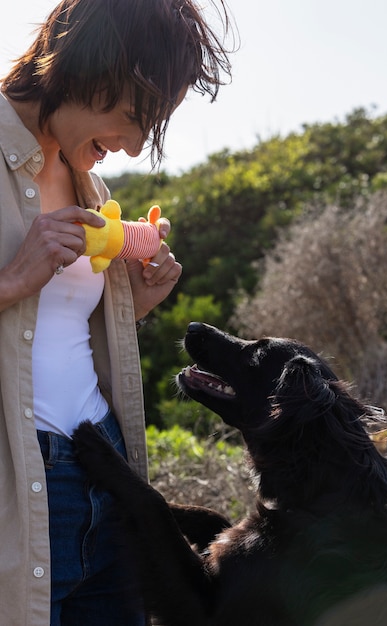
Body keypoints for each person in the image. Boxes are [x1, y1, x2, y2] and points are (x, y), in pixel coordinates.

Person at [0, 0, 233, 624]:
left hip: (107, 463)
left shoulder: (89, 184)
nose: (132, 148)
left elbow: (46, 338)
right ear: (85, 68)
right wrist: (11, 280)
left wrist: (132, 309)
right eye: (133, 118)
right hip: (20, 490)